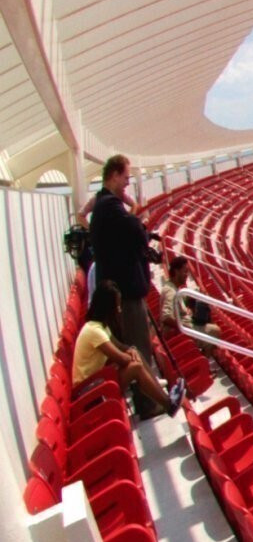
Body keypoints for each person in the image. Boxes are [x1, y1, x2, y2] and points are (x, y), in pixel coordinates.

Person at [88, 154, 162, 380]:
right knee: (138, 344)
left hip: (123, 288)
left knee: (138, 344)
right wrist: (136, 219)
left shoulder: (104, 205)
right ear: (113, 176)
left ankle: (149, 397)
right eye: (126, 178)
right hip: (127, 292)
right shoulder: (109, 206)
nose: (128, 183)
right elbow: (136, 231)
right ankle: (149, 402)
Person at [75, 281, 182, 416]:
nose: (119, 309)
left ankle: (162, 393)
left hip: (97, 383)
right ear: (108, 307)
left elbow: (121, 347)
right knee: (135, 367)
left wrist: (131, 350)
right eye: (117, 305)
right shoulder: (94, 331)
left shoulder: (100, 326)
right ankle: (168, 404)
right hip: (88, 394)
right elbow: (121, 359)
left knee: (134, 352)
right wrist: (130, 355)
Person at [158, 257, 215, 335]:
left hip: (186, 325)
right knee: (214, 330)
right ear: (176, 271)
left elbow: (184, 301)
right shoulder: (170, 290)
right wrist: (185, 329)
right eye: (185, 272)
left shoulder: (175, 288)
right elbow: (166, 317)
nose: (187, 275)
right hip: (180, 332)